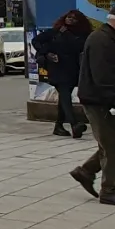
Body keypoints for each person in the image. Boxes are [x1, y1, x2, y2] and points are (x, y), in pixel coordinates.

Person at [71, 8, 115, 205]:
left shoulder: (109, 38)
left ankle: (86, 171)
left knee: (110, 143)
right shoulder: (102, 41)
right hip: (99, 101)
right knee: (112, 146)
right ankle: (109, 190)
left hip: (103, 99)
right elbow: (103, 77)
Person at [36, 10, 91, 138]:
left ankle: (58, 126)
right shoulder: (56, 31)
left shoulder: (81, 34)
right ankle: (74, 124)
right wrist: (46, 53)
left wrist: (67, 34)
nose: (70, 19)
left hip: (72, 70)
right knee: (65, 95)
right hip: (57, 69)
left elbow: (79, 46)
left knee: (63, 98)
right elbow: (36, 41)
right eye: (68, 17)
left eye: (74, 18)